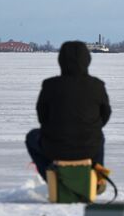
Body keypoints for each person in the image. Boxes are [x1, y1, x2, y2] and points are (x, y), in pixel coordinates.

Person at [25, 41, 111, 180]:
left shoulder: (49, 85)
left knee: (31, 137)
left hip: (55, 147)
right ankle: (96, 179)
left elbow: (42, 117)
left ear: (61, 60)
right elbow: (105, 114)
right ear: (87, 59)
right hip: (89, 147)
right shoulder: (97, 85)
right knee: (98, 137)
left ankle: (53, 178)